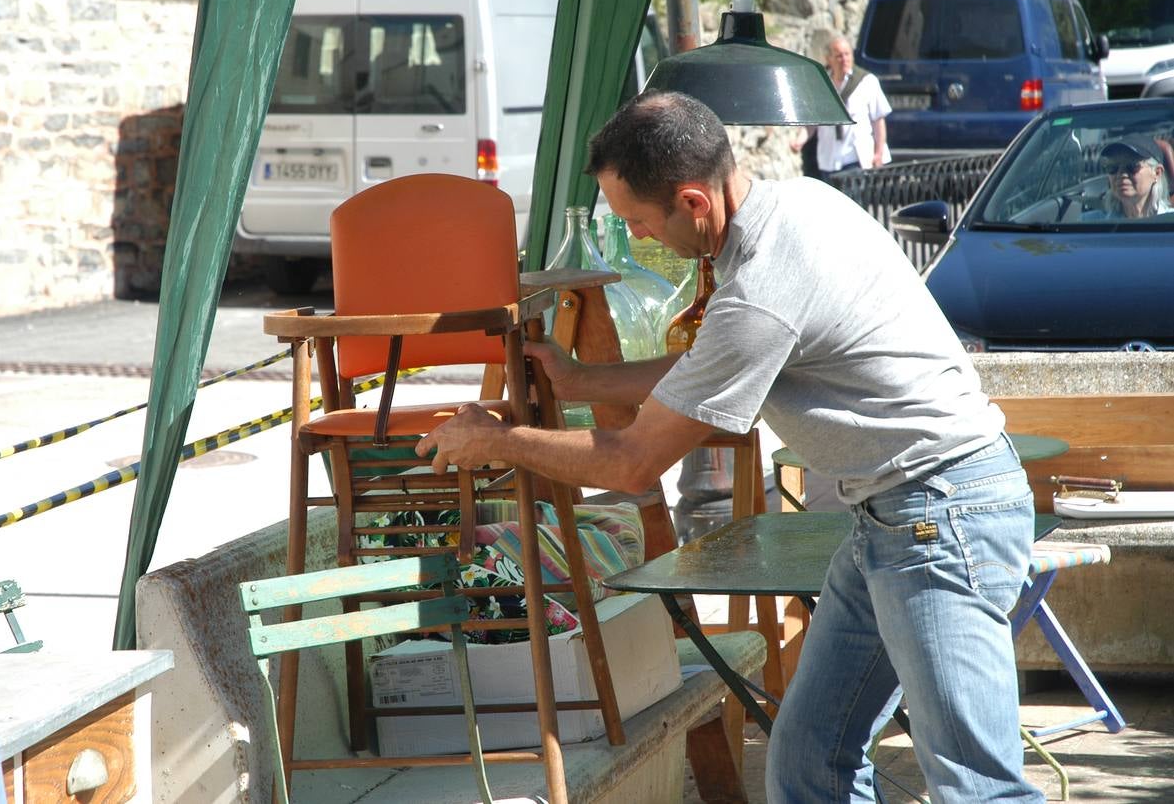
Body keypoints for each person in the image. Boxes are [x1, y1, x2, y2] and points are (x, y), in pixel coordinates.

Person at [418, 90, 1043, 803]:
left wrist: (498, 440)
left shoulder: (762, 287)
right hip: (895, 519)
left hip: (938, 516)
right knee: (810, 763)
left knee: (976, 787)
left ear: (691, 201)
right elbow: (714, 365)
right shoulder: (800, 204)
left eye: (637, 222)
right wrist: (584, 377)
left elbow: (631, 462)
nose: (642, 239)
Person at [791, 35, 892, 183]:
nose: (844, 59)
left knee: (853, 203)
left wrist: (878, 152)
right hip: (829, 159)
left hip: (855, 158)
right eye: (839, 56)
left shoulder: (866, 81)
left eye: (847, 54)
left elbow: (878, 120)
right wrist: (799, 141)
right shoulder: (819, 83)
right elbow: (812, 123)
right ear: (828, 59)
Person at [1098, 136, 1172, 218]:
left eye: (1132, 166)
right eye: (1112, 167)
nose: (1121, 174)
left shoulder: (1170, 222)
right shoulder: (1090, 224)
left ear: (1157, 172)